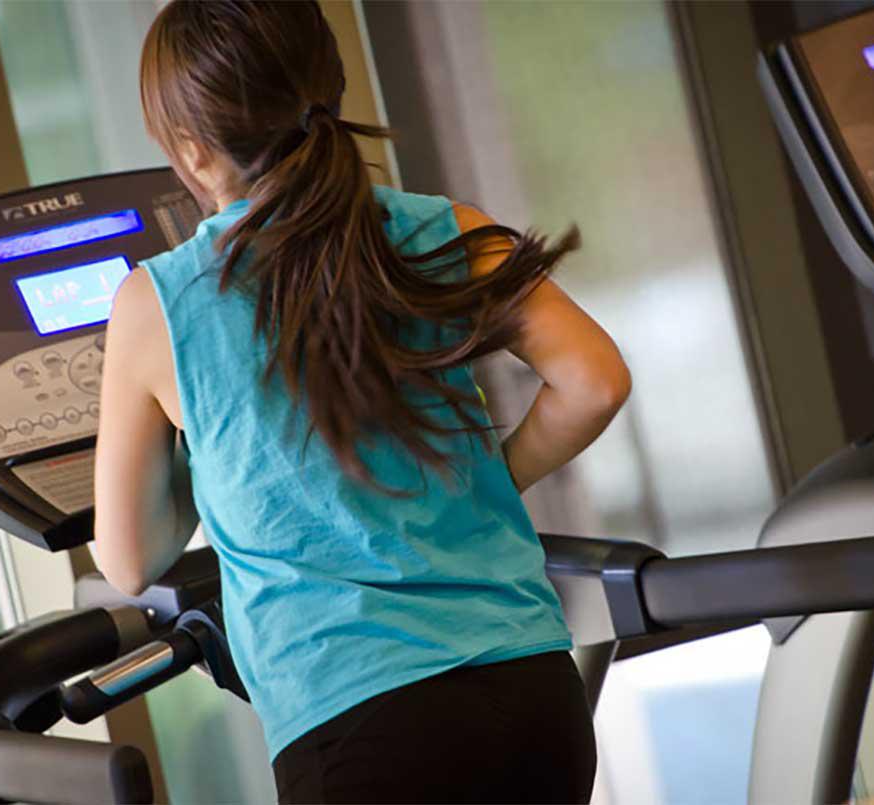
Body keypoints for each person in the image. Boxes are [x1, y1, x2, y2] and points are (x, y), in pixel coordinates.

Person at [92, 2, 631, 802]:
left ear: (195, 154)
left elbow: (130, 558)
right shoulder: (442, 228)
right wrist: (489, 479)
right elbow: (595, 379)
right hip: (534, 696)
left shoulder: (159, 302)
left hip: (360, 723)